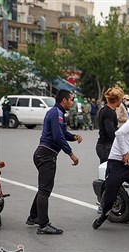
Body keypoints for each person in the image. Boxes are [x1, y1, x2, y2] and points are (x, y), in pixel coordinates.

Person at [26, 90, 83, 234]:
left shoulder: (57, 112)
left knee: (43, 188)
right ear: (64, 100)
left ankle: (34, 217)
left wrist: (74, 136)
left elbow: (63, 133)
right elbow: (58, 137)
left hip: (43, 154)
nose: (72, 102)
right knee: (45, 190)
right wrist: (71, 154)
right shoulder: (56, 113)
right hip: (46, 155)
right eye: (71, 99)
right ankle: (43, 225)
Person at [96, 86, 124, 164]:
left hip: (103, 145)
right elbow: (110, 131)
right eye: (121, 99)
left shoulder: (104, 109)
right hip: (106, 146)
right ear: (117, 100)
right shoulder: (109, 113)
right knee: (108, 172)